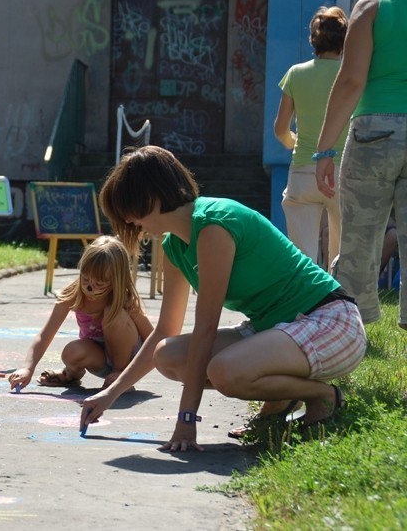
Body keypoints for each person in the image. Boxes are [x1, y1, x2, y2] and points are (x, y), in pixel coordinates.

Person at [80, 146, 367, 451]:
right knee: (168, 355)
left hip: (330, 323)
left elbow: (205, 327)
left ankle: (323, 397)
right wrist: (109, 394)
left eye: (129, 210)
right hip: (279, 330)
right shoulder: (174, 245)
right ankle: (279, 399)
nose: (129, 222)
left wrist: (186, 418)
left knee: (225, 371)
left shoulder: (213, 225)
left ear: (151, 197)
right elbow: (165, 330)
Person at [314, 0, 406, 330]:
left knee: (358, 246)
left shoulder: (371, 8)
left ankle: (349, 341)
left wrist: (324, 151)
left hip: (374, 134)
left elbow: (351, 81)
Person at [8, 236, 153, 391]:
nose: (89, 288)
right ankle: (71, 374)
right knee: (71, 352)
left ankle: (120, 375)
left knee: (113, 313)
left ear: (116, 281)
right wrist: (27, 368)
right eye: (85, 278)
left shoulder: (125, 299)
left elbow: (153, 337)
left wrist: (133, 371)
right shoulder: (72, 295)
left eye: (99, 283)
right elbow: (44, 335)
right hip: (99, 358)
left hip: (127, 359)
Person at [274, 6, 348, 269]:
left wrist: (295, 143)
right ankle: (341, 306)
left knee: (302, 260)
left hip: (304, 172)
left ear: (313, 39)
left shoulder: (295, 73)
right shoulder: (350, 77)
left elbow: (280, 129)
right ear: (344, 40)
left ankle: (306, 308)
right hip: (342, 172)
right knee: (342, 258)